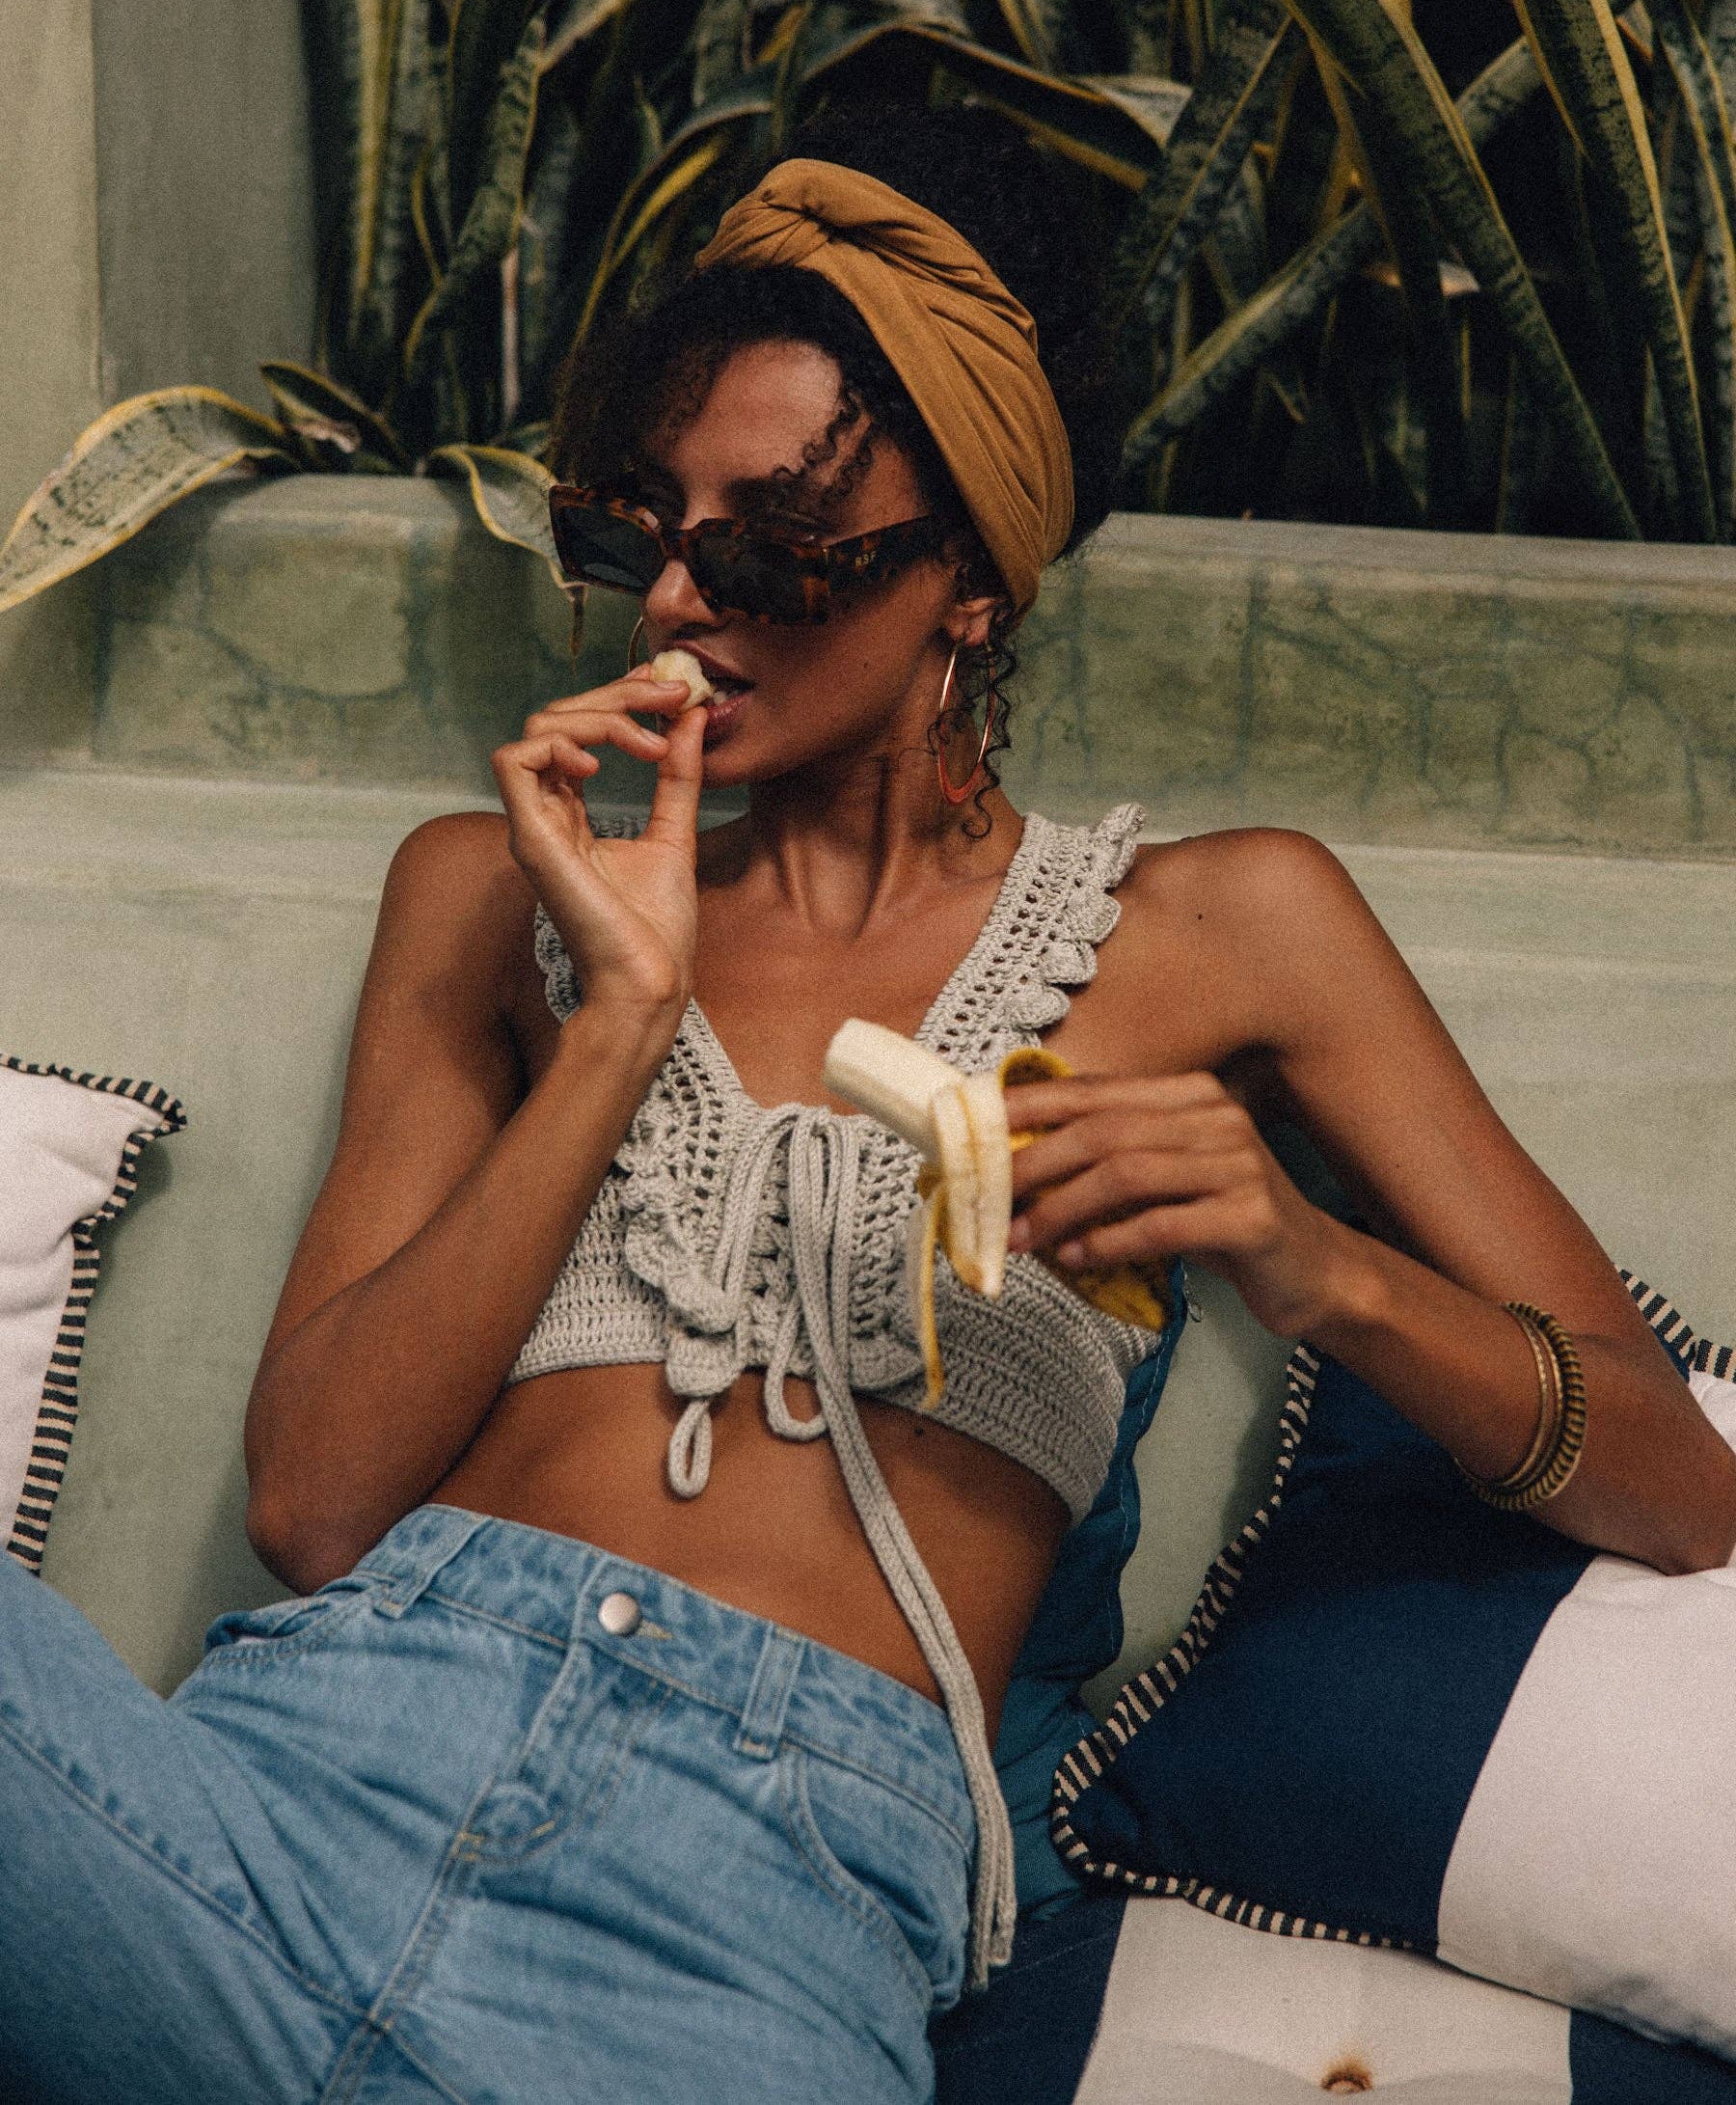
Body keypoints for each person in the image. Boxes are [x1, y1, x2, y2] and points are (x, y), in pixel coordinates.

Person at [3, 107, 1733, 2105]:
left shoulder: (1229, 931)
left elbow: (1681, 1491)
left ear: (970, 579)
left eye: (768, 550)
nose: (676, 600)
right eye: (634, 533)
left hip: (758, 1912)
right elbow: (314, 1506)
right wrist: (619, 1018)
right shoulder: (492, 894)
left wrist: (1309, 1261)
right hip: (305, 1784)